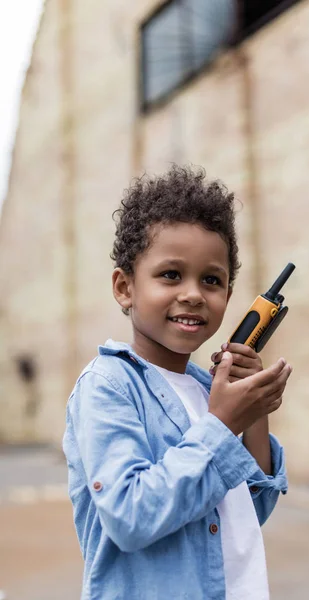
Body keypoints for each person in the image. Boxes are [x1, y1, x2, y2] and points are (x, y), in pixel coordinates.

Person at [63, 165, 292, 600]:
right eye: (171, 274)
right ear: (125, 287)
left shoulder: (208, 387)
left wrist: (253, 415)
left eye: (212, 280)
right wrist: (223, 424)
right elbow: (131, 517)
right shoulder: (108, 386)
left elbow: (248, 512)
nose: (193, 293)